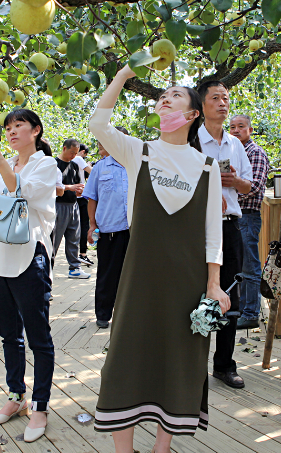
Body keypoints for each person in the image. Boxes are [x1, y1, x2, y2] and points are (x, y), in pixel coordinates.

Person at [91, 65, 227, 453]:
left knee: (179, 357)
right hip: (140, 277)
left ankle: (161, 448)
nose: (164, 99)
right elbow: (98, 123)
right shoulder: (140, 151)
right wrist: (122, 76)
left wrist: (214, 284)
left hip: (187, 281)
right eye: (161, 96)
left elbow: (212, 233)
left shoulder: (207, 166)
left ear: (192, 113)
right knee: (125, 354)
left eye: (175, 95)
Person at [0, 109, 56, 443]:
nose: (12, 131)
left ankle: (41, 405)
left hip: (29, 260)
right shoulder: (1, 165)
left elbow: (22, 191)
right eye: (8, 127)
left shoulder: (45, 164)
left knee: (38, 337)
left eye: (19, 126)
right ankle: (16, 396)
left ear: (36, 130)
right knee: (9, 335)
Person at [197, 80, 256, 390]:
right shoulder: (191, 140)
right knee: (193, 291)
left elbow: (249, 186)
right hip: (195, 227)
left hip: (229, 225)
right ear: (202, 104)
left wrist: (235, 181)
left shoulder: (235, 144)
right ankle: (191, 364)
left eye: (226, 97)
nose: (222, 103)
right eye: (215, 97)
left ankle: (224, 365)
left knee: (230, 294)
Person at [82, 132, 130, 329]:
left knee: (132, 275)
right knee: (107, 274)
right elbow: (91, 198)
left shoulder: (136, 165)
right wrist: (92, 225)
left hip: (134, 231)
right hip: (108, 230)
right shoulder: (100, 168)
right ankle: (103, 314)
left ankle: (129, 314)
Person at [228, 114, 271, 330]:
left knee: (250, 265)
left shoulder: (256, 153)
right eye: (232, 127)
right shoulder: (232, 152)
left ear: (250, 130)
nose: (235, 130)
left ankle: (251, 312)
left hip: (248, 215)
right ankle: (241, 309)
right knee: (237, 265)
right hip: (235, 216)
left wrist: (229, 194)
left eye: (240, 126)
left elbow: (254, 187)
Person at [53, 139, 90, 279]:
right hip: (58, 206)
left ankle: (75, 268)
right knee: (54, 240)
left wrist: (78, 191)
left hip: (73, 205)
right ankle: (47, 269)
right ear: (64, 148)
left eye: (76, 153)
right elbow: (53, 186)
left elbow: (76, 184)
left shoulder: (74, 165)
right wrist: (70, 188)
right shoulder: (53, 164)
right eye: (72, 152)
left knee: (74, 237)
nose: (74, 156)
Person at [73, 144, 94, 267]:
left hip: (70, 197)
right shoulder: (79, 159)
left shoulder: (65, 160)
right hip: (81, 197)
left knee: (73, 227)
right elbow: (93, 172)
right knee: (84, 225)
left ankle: (75, 255)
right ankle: (83, 254)